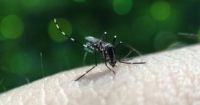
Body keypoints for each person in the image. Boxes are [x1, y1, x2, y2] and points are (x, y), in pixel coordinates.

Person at [0, 44, 199, 105]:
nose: (111, 62)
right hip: (98, 46)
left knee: (112, 43)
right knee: (109, 44)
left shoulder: (112, 55)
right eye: (112, 61)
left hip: (107, 48)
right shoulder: (105, 53)